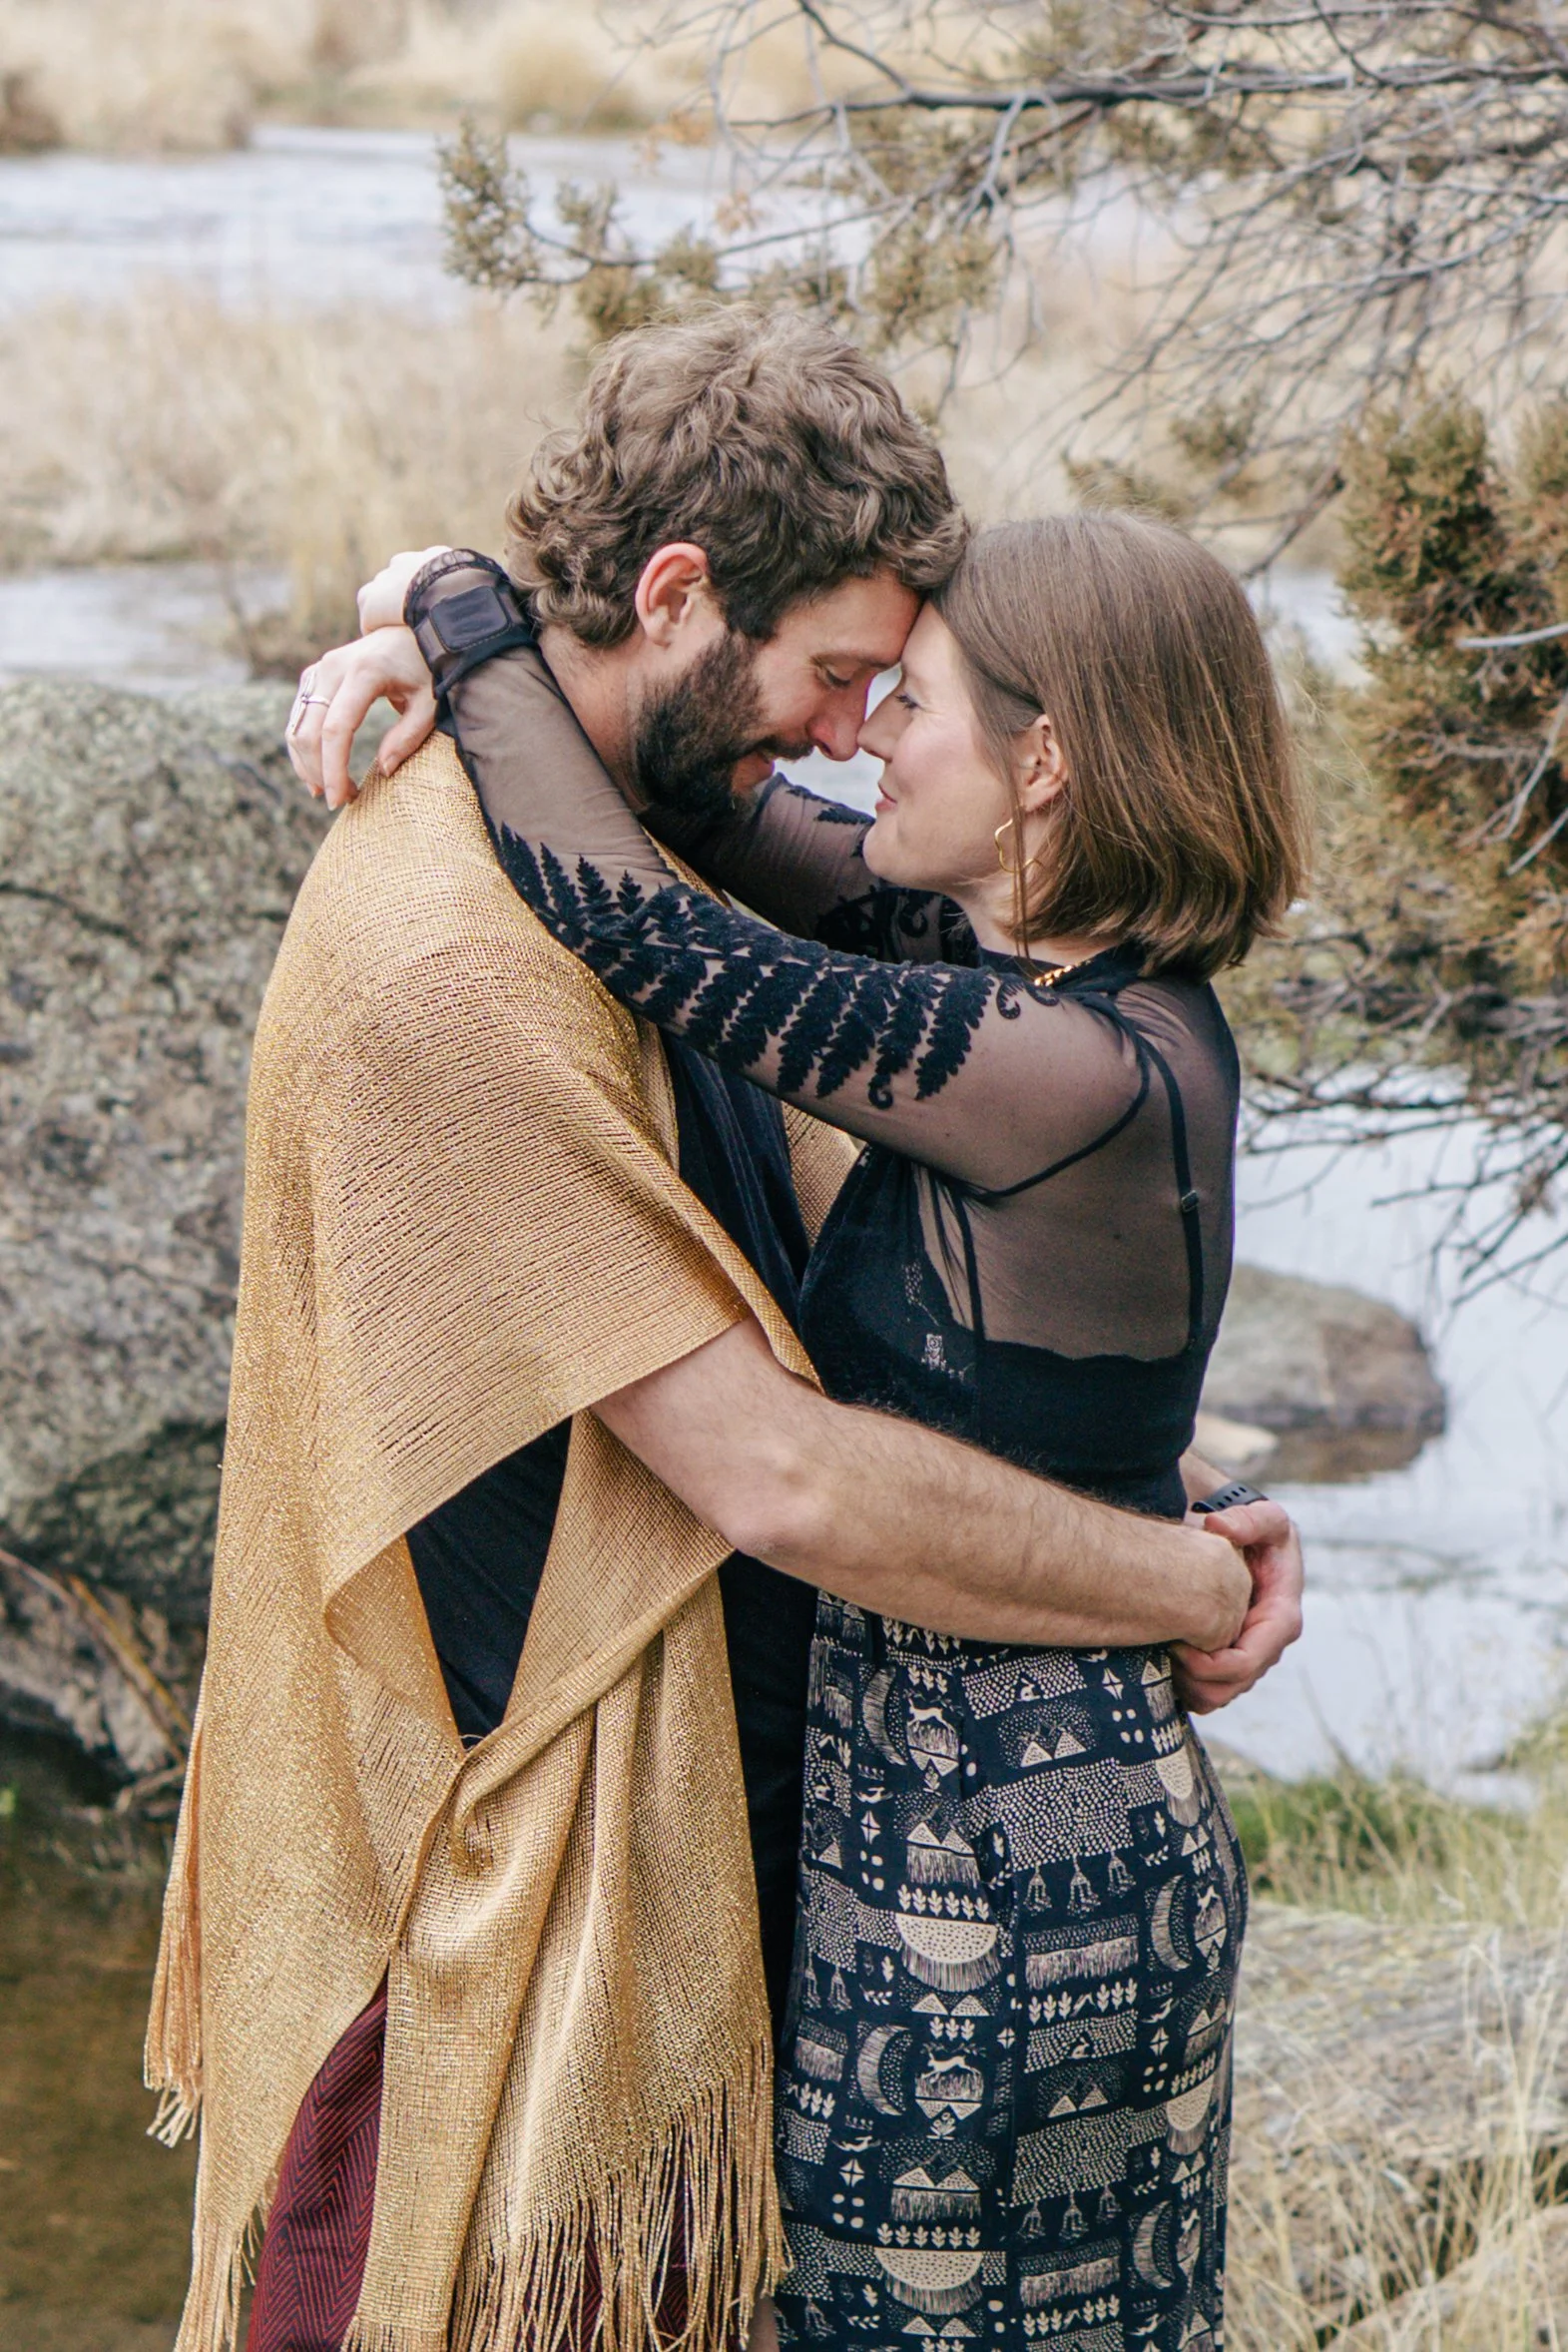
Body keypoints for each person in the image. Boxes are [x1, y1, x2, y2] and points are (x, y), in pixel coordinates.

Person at [189, 308, 1300, 2352]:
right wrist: (444, 607)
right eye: (839, 679)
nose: (851, 735)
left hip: (960, 1855)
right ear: (685, 597)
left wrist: (452, 612)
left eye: (903, 696)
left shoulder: (1029, 1030)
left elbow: (659, 918)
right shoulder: (535, 942)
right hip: (651, 1863)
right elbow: (790, 1435)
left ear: (1045, 761)